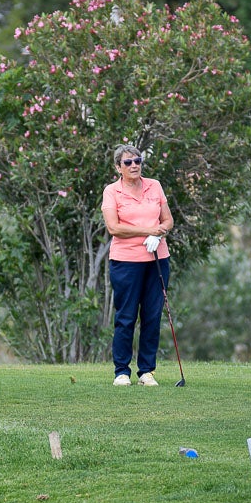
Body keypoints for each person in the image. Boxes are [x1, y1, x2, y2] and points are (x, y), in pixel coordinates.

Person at [101, 145, 174, 386]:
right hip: (126, 261)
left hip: (157, 260)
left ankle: (146, 371)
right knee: (127, 316)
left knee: (152, 316)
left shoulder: (154, 185)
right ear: (118, 168)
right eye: (128, 163)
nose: (134, 165)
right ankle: (122, 371)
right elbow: (114, 228)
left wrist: (159, 233)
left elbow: (168, 219)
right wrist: (148, 230)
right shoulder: (112, 192)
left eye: (137, 161)